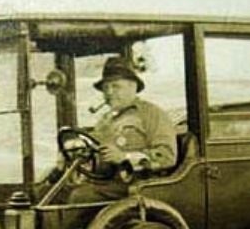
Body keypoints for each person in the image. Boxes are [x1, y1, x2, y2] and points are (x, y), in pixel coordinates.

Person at [68, 56, 177, 202]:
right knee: (48, 191)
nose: (109, 92)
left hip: (137, 187)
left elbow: (167, 156)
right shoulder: (105, 120)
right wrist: (77, 149)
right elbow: (96, 151)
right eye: (105, 88)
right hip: (106, 183)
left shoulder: (152, 114)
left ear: (133, 87)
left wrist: (124, 157)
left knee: (80, 197)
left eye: (115, 86)